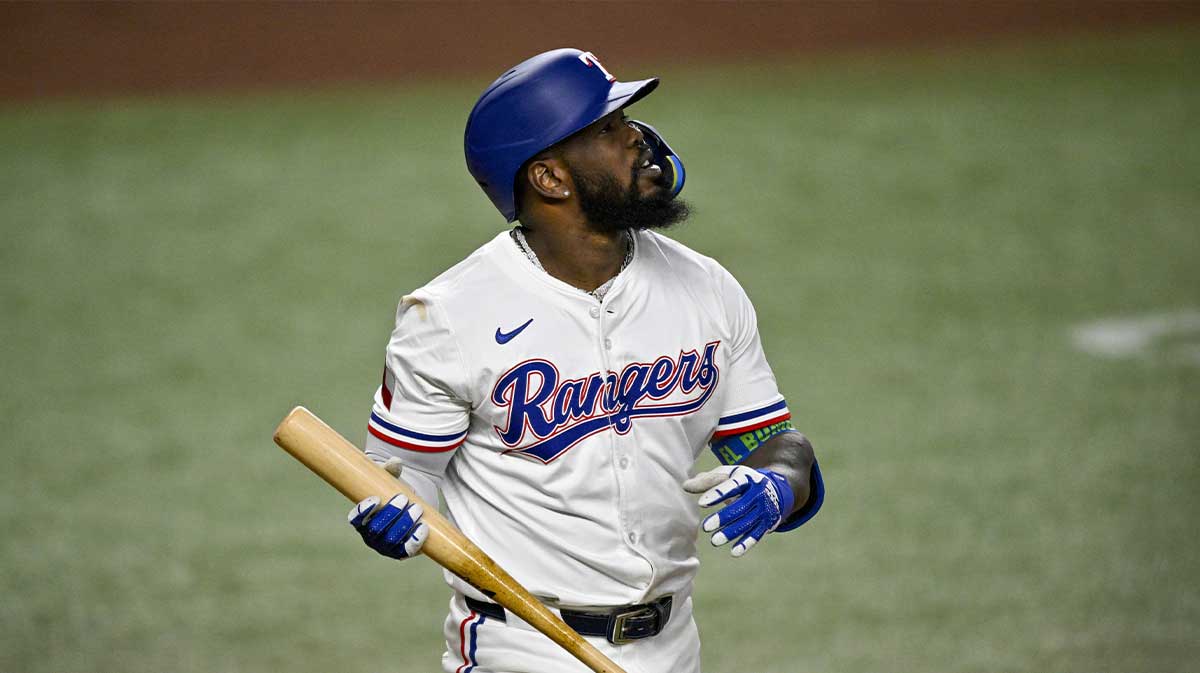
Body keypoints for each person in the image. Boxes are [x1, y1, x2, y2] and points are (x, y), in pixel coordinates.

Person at [347, 48, 825, 673]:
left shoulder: (706, 288)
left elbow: (776, 447)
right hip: (520, 645)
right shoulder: (447, 317)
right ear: (549, 178)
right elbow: (400, 475)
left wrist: (777, 484)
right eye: (609, 130)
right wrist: (390, 507)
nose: (640, 141)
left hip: (674, 644)